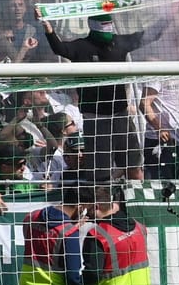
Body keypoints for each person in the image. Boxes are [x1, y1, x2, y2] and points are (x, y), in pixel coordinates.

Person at [42, 13, 163, 185]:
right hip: (95, 119)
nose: (107, 26)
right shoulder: (81, 46)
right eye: (103, 23)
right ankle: (102, 207)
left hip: (121, 116)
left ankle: (138, 201)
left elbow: (147, 36)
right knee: (100, 174)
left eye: (109, 22)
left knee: (134, 167)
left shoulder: (118, 43)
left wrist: (173, 12)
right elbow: (59, 49)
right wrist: (48, 29)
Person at [80, 190, 152, 285]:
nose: (87, 214)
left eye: (87, 209)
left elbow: (92, 275)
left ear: (96, 207)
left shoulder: (97, 235)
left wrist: (74, 282)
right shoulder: (139, 227)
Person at [18, 190, 85, 285]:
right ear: (80, 208)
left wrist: (71, 226)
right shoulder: (69, 232)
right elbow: (72, 273)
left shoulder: (31, 217)